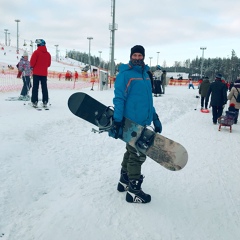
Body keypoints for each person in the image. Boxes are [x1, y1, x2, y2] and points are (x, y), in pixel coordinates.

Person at [109, 45, 162, 204]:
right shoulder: (125, 75)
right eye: (135, 55)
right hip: (131, 122)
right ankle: (134, 191)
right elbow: (119, 98)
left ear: (143, 57)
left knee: (130, 151)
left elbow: (148, 101)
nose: (137, 58)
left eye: (140, 55)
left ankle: (124, 181)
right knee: (138, 154)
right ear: (131, 56)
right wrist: (118, 120)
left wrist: (155, 118)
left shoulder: (146, 75)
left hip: (142, 121)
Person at [30, 39, 51, 108]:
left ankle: (34, 101)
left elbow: (32, 63)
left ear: (38, 45)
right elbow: (48, 64)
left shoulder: (36, 52)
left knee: (35, 87)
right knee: (44, 87)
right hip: (44, 73)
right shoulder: (48, 54)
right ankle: (45, 101)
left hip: (36, 73)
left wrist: (32, 67)